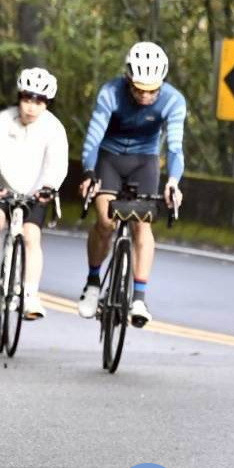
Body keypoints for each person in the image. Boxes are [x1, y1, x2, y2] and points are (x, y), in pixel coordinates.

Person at [77, 41, 186, 328]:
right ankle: (92, 282)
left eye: (152, 89)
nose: (145, 95)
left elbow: (175, 146)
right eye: (139, 88)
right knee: (106, 223)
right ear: (128, 78)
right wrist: (89, 172)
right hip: (110, 157)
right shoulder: (110, 93)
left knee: (142, 224)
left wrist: (173, 182)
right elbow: (93, 137)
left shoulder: (174, 100)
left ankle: (139, 297)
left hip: (145, 160)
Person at [0, 68, 68, 319]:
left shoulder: (54, 128)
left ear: (47, 104)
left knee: (30, 236)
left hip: (36, 193)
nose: (31, 108)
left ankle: (30, 295)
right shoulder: (3, 121)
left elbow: (57, 163)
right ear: (19, 98)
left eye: (38, 102)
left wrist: (49, 186)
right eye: (27, 99)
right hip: (3, 188)